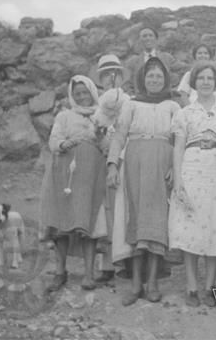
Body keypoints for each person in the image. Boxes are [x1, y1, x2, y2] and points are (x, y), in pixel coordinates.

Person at [106, 57, 181, 306]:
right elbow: (119, 135)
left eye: (159, 76)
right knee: (135, 220)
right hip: (135, 163)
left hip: (162, 163)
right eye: (150, 76)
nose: (155, 80)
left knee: (158, 221)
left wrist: (175, 167)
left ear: (165, 79)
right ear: (143, 79)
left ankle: (153, 282)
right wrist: (112, 165)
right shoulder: (131, 105)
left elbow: (179, 139)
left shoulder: (173, 106)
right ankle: (136, 282)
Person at [168, 62, 216, 308]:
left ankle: (211, 286)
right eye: (201, 78)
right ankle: (192, 286)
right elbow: (178, 147)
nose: (205, 82)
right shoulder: (185, 113)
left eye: (210, 78)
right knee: (191, 226)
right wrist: (178, 179)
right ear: (193, 83)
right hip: (192, 170)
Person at [40, 75, 108, 292]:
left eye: (85, 92)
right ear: (72, 95)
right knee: (61, 224)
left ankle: (88, 274)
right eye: (77, 93)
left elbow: (107, 146)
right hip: (65, 174)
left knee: (87, 222)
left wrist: (99, 136)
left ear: (92, 92)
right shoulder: (64, 116)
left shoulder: (101, 116)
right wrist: (63, 143)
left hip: (91, 175)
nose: (81, 97)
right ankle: (60, 272)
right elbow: (53, 141)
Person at [92, 54, 131, 283]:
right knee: (104, 210)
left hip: (124, 157)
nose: (111, 79)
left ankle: (125, 261)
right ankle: (105, 264)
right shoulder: (97, 103)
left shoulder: (129, 100)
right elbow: (95, 131)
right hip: (102, 157)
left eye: (114, 74)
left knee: (122, 208)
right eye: (106, 75)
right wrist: (98, 135)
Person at [124, 26, 182, 94]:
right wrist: (132, 95)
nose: (148, 38)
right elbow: (126, 82)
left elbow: (184, 70)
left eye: (151, 35)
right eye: (144, 36)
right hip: (141, 100)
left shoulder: (167, 57)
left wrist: (174, 87)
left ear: (156, 39)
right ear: (139, 40)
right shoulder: (132, 62)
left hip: (163, 99)